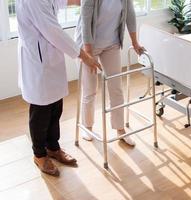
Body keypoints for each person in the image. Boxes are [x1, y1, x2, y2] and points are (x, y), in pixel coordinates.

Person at [16, 0, 101, 176]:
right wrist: (83, 56)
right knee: (41, 110)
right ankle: (39, 155)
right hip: (38, 60)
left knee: (56, 107)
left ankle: (53, 147)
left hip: (49, 56)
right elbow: (54, 32)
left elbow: (59, 1)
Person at [75, 0, 144, 146]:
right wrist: (87, 53)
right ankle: (87, 127)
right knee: (90, 89)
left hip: (111, 43)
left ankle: (120, 129)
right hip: (88, 45)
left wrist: (135, 42)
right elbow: (86, 21)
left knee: (116, 88)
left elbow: (129, 15)